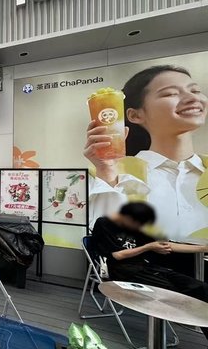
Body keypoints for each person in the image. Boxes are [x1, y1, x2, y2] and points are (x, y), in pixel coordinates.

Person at [86, 65, 208, 239]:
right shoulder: (111, 176)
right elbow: (105, 240)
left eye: (195, 90)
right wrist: (106, 170)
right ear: (135, 115)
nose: (192, 98)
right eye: (170, 93)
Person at [91, 202, 208, 344]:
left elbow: (168, 245)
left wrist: (203, 248)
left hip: (148, 268)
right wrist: (148, 247)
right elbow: (117, 255)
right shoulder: (104, 224)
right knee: (176, 292)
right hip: (123, 272)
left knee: (201, 287)